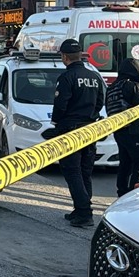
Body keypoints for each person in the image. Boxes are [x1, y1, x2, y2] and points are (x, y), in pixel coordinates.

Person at [51, 38, 106, 227]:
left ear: (64, 57)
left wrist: (56, 122)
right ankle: (81, 208)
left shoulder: (67, 78)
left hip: (71, 129)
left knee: (72, 171)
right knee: (85, 171)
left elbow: (60, 104)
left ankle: (84, 212)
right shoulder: (94, 76)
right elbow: (100, 102)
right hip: (90, 129)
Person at [106, 58, 139, 197]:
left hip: (119, 131)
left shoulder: (112, 87)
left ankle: (122, 193)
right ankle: (134, 193)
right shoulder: (133, 86)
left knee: (125, 163)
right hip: (134, 130)